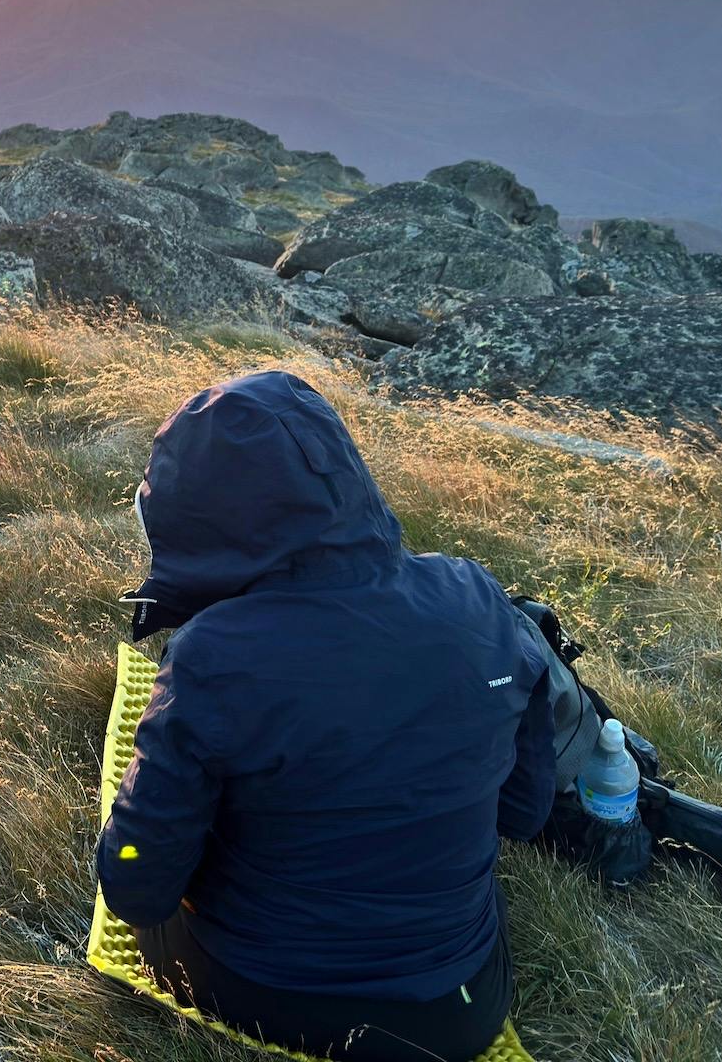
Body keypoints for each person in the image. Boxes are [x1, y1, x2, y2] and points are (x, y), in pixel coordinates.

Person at [95, 371, 553, 1062]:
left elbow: (136, 888)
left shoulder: (214, 657)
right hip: (460, 1008)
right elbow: (524, 813)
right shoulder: (477, 596)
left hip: (266, 995)